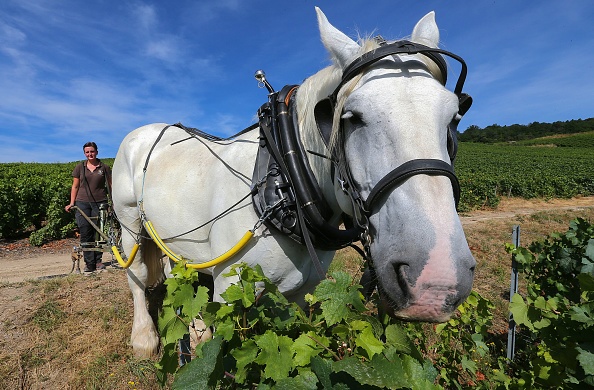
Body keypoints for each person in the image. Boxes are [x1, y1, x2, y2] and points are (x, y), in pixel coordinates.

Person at [65, 142, 112, 272]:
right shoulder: (80, 167)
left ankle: (98, 261)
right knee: (85, 231)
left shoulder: (104, 167)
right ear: (84, 153)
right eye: (87, 152)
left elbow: (110, 186)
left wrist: (112, 202)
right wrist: (72, 202)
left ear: (97, 152)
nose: (90, 154)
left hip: (100, 202)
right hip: (82, 202)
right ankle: (89, 263)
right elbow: (75, 186)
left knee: (99, 232)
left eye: (92, 151)